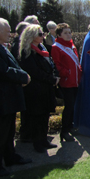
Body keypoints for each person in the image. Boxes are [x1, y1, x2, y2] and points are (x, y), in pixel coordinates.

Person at [0, 18, 32, 177]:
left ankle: (10, 157)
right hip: (0, 98)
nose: (11, 34)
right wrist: (22, 77)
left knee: (8, 131)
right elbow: (2, 70)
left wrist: (21, 75)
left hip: (8, 97)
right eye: (7, 31)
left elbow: (12, 65)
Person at [19, 24, 60, 152]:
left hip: (45, 89)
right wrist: (51, 79)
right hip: (35, 91)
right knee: (37, 117)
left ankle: (44, 140)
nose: (43, 36)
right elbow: (35, 72)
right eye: (40, 34)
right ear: (31, 36)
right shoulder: (27, 53)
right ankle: (38, 144)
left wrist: (54, 76)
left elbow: (49, 66)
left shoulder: (41, 50)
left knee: (44, 116)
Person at [51, 23, 82, 141]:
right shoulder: (56, 47)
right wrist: (67, 72)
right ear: (59, 34)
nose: (68, 35)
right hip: (66, 82)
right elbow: (56, 64)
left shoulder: (72, 45)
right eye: (65, 33)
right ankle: (64, 131)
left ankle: (70, 127)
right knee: (68, 106)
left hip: (75, 81)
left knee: (73, 105)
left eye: (69, 32)